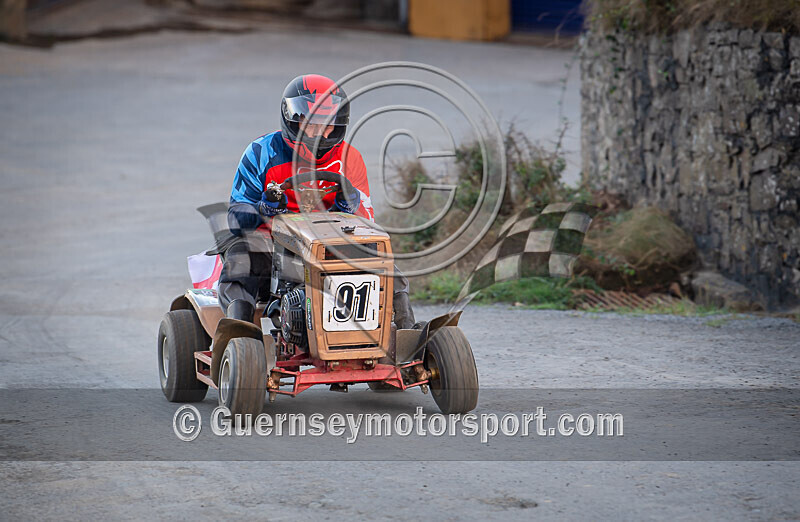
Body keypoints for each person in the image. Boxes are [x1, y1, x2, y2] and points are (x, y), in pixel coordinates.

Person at [218, 73, 416, 329]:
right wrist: (263, 209)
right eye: (309, 123)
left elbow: (367, 226)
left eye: (326, 124)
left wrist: (347, 207)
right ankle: (239, 332)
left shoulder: (350, 159)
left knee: (385, 265)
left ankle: (406, 336)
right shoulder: (261, 153)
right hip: (271, 243)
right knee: (240, 260)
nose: (317, 133)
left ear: (338, 123)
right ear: (293, 119)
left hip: (328, 243)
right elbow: (235, 218)